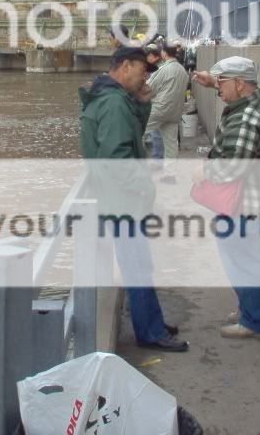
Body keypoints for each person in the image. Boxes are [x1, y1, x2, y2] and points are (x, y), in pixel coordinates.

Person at [79, 45, 188, 352]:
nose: (146, 79)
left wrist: (141, 103)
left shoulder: (113, 99)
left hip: (117, 200)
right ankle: (150, 332)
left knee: (140, 264)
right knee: (137, 267)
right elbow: (117, 156)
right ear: (126, 66)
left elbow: (128, 135)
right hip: (122, 202)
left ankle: (152, 321)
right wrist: (145, 187)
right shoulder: (113, 103)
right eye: (143, 71)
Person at [193, 56, 260, 340]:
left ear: (240, 84)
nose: (217, 87)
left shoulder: (245, 119)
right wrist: (212, 82)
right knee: (258, 255)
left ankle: (254, 322)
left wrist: (202, 171)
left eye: (222, 82)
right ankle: (250, 308)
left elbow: (232, 167)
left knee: (243, 258)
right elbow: (236, 93)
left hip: (245, 204)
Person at [144, 41, 190, 181]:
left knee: (137, 131)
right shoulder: (182, 70)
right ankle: (170, 175)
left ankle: (136, 169)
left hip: (159, 109)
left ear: (163, 53)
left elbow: (148, 89)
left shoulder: (163, 70)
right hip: (175, 112)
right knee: (171, 144)